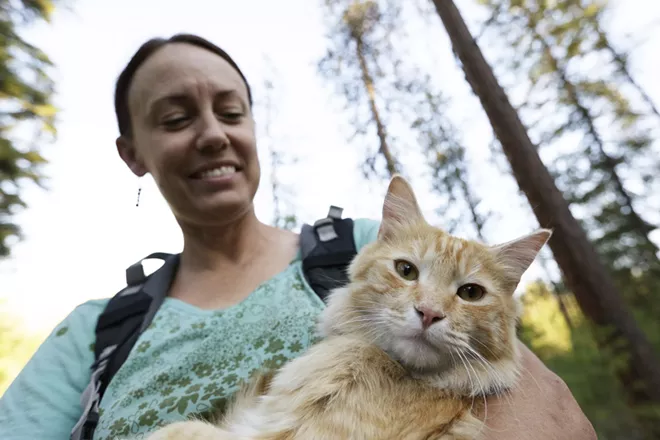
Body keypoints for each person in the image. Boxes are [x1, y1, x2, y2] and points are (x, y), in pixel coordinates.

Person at [0, 33, 597, 440]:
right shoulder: (98, 328)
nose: (212, 135)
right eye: (176, 118)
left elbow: (542, 409)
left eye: (231, 113)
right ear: (133, 154)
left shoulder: (358, 247)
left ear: (254, 129)